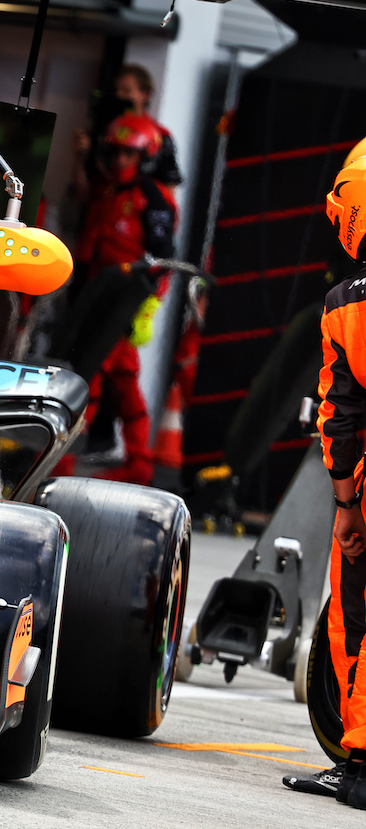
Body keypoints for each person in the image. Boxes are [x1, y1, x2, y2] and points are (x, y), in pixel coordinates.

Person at [287, 152, 366, 808]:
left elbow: (339, 414)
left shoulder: (348, 307)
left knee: (358, 615)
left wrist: (345, 503)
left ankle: (361, 763)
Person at [59, 112, 178, 486]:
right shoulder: (108, 191)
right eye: (116, 154)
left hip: (123, 305)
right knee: (123, 378)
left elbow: (162, 261)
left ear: (144, 158)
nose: (120, 161)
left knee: (87, 378)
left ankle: (60, 461)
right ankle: (140, 462)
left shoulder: (153, 199)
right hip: (96, 298)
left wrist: (147, 308)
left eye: (128, 154)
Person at [72, 63, 181, 207]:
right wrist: (80, 156)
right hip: (99, 213)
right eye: (116, 90)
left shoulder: (160, 136)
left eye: (126, 91)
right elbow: (81, 192)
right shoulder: (104, 132)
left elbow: (168, 194)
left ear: (145, 94)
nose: (119, 95)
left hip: (136, 218)